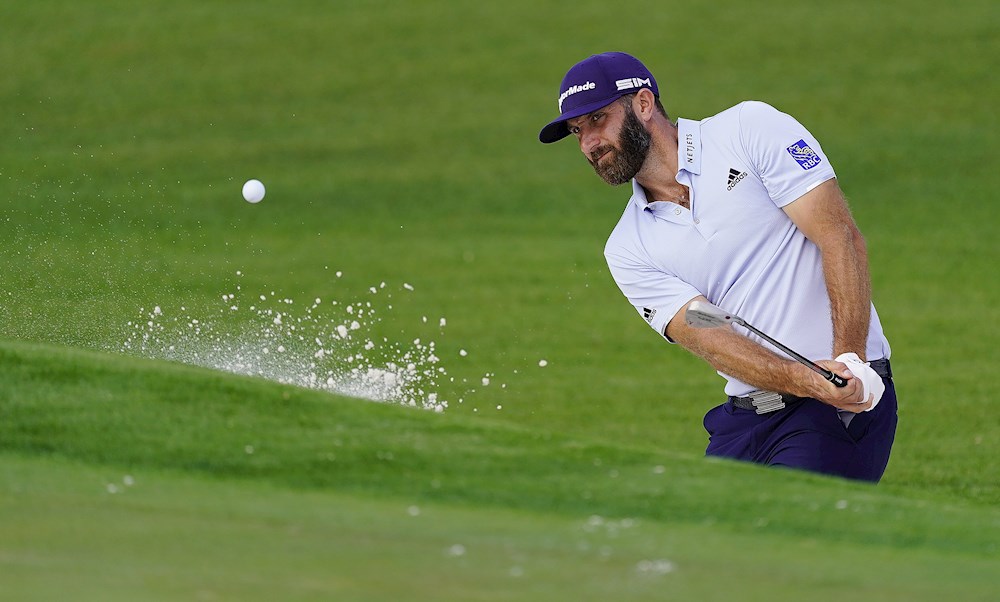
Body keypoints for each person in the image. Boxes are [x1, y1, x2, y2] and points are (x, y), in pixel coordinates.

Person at [538, 52, 897, 482]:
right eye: (578, 132)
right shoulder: (628, 247)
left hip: (840, 402)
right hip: (745, 421)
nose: (588, 144)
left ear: (644, 104)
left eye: (597, 119)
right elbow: (708, 334)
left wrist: (849, 362)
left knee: (788, 540)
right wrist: (805, 379)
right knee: (707, 545)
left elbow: (839, 235)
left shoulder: (749, 130)